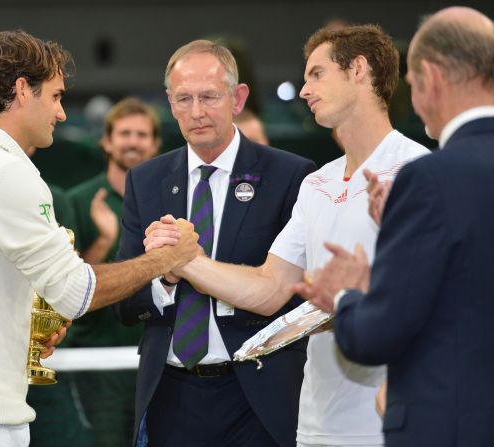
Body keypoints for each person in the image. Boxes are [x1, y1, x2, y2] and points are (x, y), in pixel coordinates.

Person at [0, 30, 199, 447]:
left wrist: (17, 326)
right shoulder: (10, 173)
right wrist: (166, 259)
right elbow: (74, 292)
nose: (62, 113)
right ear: (22, 90)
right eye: (56, 96)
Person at [145, 25, 430, 447]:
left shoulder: (419, 170)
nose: (303, 90)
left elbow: (439, 296)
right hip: (316, 422)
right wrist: (184, 258)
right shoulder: (317, 183)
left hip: (398, 417)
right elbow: (270, 287)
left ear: (358, 70)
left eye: (316, 74)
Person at [293, 7, 494, 447]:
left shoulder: (428, 176)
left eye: (411, 85)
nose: (413, 100)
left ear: (431, 78)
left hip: (450, 423)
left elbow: (376, 336)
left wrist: (348, 293)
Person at [115, 39, 315, 447]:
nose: (196, 112)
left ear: (237, 97)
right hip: (170, 394)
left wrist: (193, 264)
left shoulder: (289, 176)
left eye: (208, 97)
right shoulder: (145, 181)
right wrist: (164, 278)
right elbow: (125, 301)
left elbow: (299, 297)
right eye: (184, 98)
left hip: (257, 394)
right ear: (170, 103)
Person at [66, 97, 160, 446]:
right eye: (124, 133)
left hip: (156, 360)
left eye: (141, 134)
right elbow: (65, 288)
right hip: (95, 362)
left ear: (154, 144)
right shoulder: (77, 201)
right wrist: (104, 241)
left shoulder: (171, 202)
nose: (133, 141)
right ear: (106, 141)